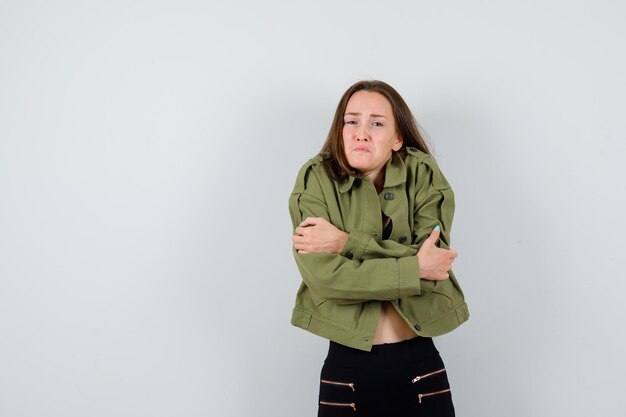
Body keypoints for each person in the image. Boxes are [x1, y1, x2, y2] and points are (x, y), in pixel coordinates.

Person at [288, 80, 469, 416]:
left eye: (377, 123)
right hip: (347, 370)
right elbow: (326, 280)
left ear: (397, 138)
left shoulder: (423, 174)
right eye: (352, 120)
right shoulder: (315, 179)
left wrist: (346, 242)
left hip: (419, 364)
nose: (361, 133)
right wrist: (413, 267)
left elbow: (434, 270)